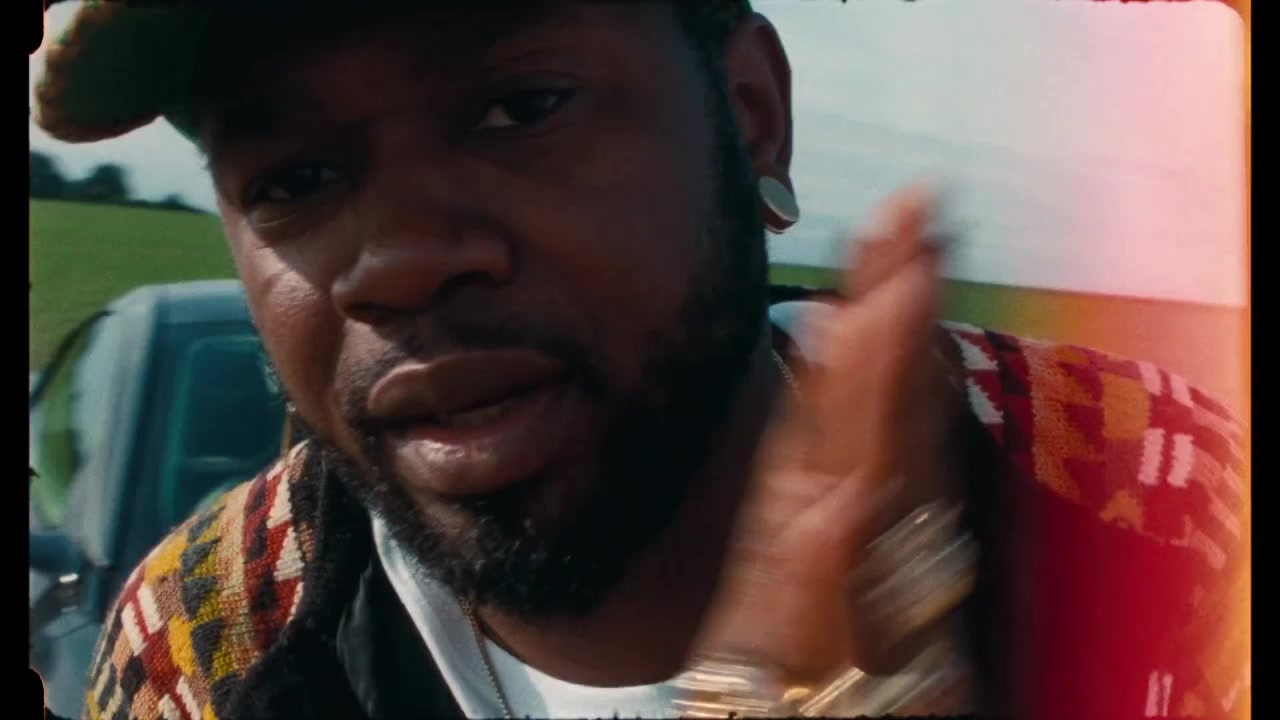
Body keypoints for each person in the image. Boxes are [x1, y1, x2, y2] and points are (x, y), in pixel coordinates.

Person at [33, 3, 1248, 719]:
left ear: (749, 112)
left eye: (519, 107)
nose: (396, 262)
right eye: (294, 180)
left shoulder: (1158, 497)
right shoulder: (198, 649)